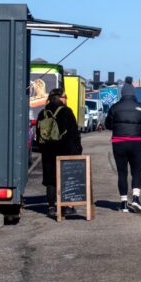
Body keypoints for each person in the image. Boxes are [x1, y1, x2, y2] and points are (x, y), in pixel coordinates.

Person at [105, 81, 141, 213]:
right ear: (133, 93)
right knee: (136, 171)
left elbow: (108, 125)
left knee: (122, 172)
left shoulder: (114, 107)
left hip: (118, 142)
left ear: (122, 93)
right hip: (135, 142)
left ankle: (124, 203)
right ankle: (136, 198)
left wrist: (118, 126)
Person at [39, 88, 82, 217]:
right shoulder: (66, 112)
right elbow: (74, 133)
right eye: (65, 96)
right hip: (65, 150)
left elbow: (38, 134)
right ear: (59, 97)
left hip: (48, 152)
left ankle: (51, 207)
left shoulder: (43, 112)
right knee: (67, 178)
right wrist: (78, 149)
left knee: (50, 180)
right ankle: (67, 207)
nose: (66, 99)